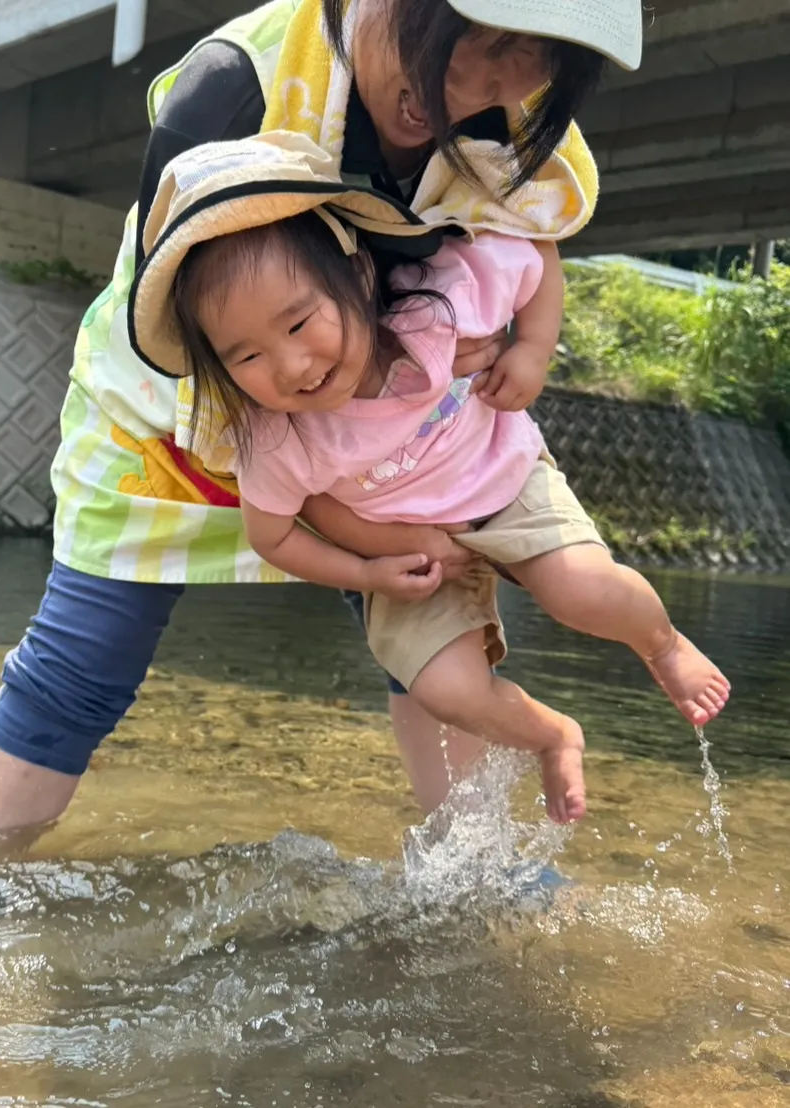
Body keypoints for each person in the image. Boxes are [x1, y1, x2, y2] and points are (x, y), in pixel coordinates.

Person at [0, 0, 647, 857]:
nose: (476, 88)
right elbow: (205, 337)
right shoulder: (233, 89)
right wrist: (355, 531)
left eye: (532, 57)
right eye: (469, 39)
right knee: (83, 661)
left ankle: (476, 872)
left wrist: (504, 337)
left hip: (382, 419)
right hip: (177, 408)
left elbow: (516, 256)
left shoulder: (517, 132)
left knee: (433, 626)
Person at [128, 131, 732, 826]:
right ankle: (553, 734)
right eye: (248, 356)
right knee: (447, 689)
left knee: (580, 589)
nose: (292, 366)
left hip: (503, 478)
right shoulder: (274, 436)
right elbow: (273, 538)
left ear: (356, 280)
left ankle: (661, 644)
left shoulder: (433, 312)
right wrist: (368, 576)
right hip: (401, 554)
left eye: (299, 322)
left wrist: (533, 349)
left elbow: (533, 245)